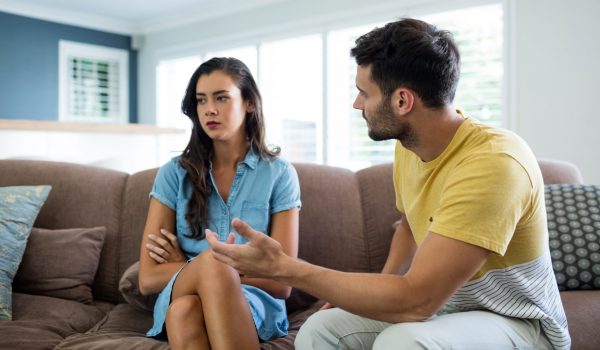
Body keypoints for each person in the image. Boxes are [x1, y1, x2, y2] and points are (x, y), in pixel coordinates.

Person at [207, 18, 571, 350]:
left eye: (365, 93)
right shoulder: (411, 147)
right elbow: (411, 228)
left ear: (402, 100)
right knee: (321, 328)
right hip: (449, 309)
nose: (356, 103)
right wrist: (371, 291)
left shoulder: (494, 163)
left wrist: (285, 267)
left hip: (520, 322)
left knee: (403, 341)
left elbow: (418, 300)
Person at [138, 57, 301, 350]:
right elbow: (148, 278)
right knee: (207, 270)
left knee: (185, 310)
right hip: (184, 289)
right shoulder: (174, 173)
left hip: (253, 303)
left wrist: (189, 266)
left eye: (222, 98)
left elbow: (282, 281)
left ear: (249, 102)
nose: (209, 109)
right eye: (201, 100)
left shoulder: (279, 173)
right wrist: (211, 268)